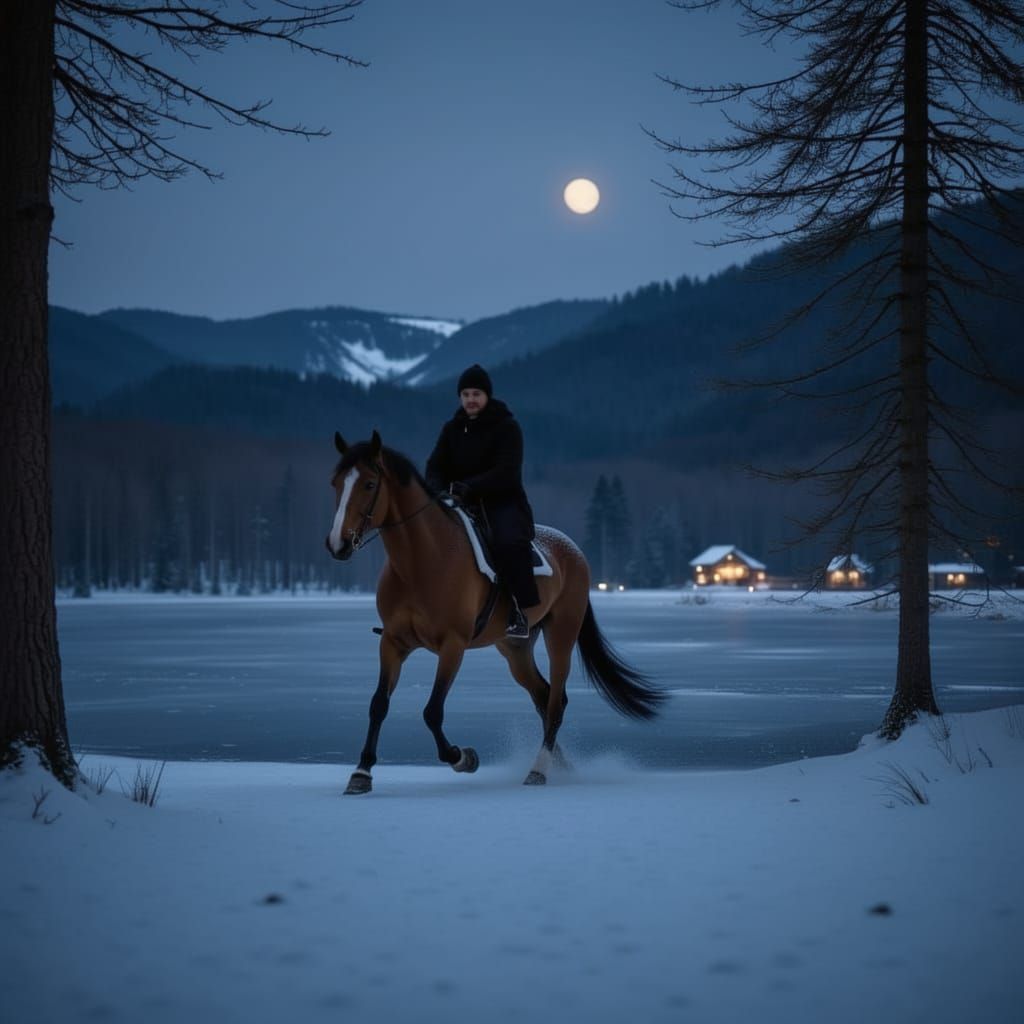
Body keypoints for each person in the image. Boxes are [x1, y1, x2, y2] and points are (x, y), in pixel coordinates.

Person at [425, 364, 539, 638]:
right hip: (457, 502)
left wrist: (469, 487)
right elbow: (435, 466)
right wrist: (438, 490)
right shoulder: (452, 429)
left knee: (507, 542)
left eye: (476, 393)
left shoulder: (507, 427)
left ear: (487, 396)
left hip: (502, 501)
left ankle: (518, 611)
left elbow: (507, 471)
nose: (470, 400)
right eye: (465, 394)